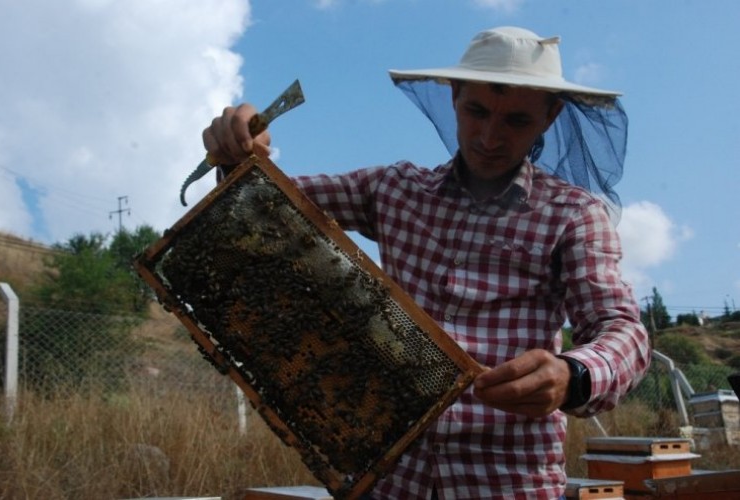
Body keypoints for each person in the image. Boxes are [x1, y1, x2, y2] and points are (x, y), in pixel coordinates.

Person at [203, 26, 651, 500]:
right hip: (389, 476)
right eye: (476, 110)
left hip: (508, 481)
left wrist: (573, 375)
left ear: (549, 116)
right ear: (454, 95)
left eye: (516, 121)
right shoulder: (395, 190)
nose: (490, 136)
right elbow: (265, 202)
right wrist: (241, 142)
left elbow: (622, 329)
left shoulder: (573, 215)